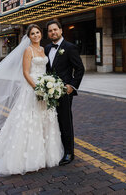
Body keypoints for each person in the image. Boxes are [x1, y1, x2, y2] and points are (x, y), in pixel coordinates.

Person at [0, 24, 63, 176]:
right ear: (29, 37)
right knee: (29, 120)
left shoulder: (43, 50)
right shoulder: (27, 50)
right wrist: (37, 88)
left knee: (44, 119)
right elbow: (25, 72)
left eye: (37, 32)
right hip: (32, 89)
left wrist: (48, 86)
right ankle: (27, 157)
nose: (35, 35)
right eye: (32, 33)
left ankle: (45, 154)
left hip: (44, 87)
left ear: (41, 34)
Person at [45, 20, 85, 165]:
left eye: (55, 29)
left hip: (64, 92)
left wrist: (72, 86)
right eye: (50, 30)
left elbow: (80, 69)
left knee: (65, 121)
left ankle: (69, 152)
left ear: (61, 31)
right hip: (49, 92)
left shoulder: (70, 47)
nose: (53, 32)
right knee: (52, 121)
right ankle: (57, 148)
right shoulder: (47, 48)